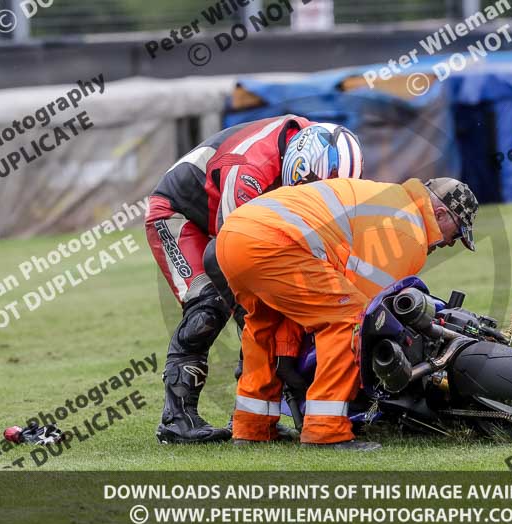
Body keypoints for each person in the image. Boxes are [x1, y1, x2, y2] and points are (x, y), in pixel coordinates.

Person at [215, 177, 478, 450]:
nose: (450, 244)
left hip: (234, 236)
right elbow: (369, 313)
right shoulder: (409, 231)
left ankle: (252, 427)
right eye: (457, 234)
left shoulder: (391, 198)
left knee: (265, 327)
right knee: (349, 321)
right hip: (277, 241)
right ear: (440, 214)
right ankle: (325, 431)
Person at [145, 115, 364, 444]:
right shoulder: (250, 170)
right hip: (182, 215)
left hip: (236, 221)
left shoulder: (329, 160)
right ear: (297, 169)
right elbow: (232, 261)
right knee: (214, 306)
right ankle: (176, 419)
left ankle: (256, 418)